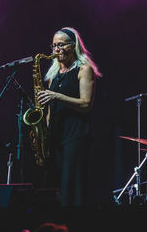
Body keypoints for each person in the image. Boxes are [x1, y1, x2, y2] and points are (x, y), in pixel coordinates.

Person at [37, 27, 102, 206]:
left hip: (76, 136)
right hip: (56, 137)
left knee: (71, 189)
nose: (56, 50)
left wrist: (57, 96)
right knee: (54, 187)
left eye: (60, 45)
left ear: (73, 46)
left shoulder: (84, 69)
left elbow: (86, 104)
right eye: (53, 46)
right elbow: (50, 110)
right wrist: (45, 137)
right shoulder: (53, 74)